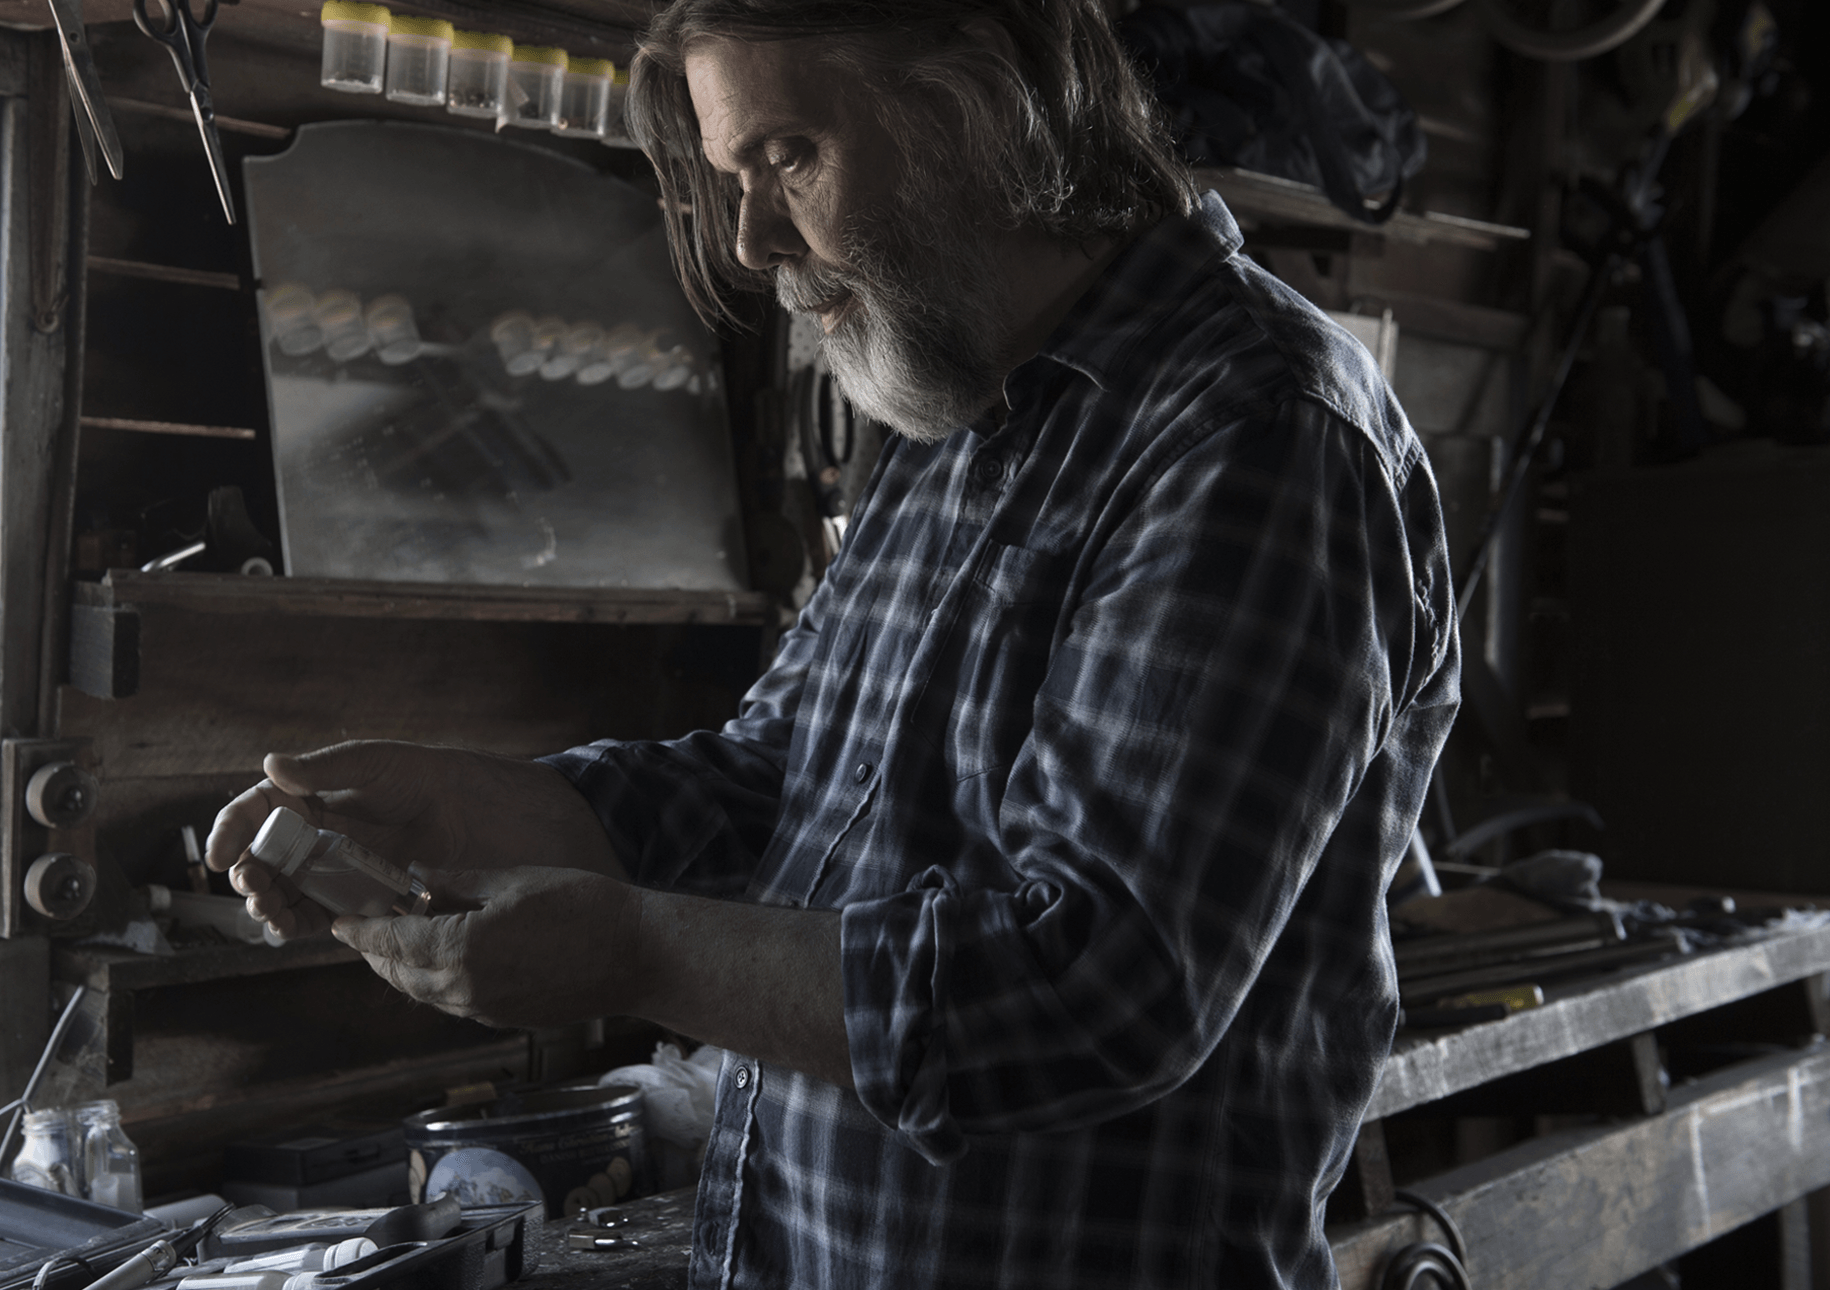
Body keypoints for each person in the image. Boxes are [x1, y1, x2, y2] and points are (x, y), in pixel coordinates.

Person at [208, 1, 1460, 1285]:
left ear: (978, 108)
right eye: (729, 176)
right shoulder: (954, 401)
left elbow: (1095, 991)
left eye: (787, 156)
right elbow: (782, 785)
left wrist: (631, 950)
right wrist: (497, 810)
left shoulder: (1255, 433)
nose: (750, 241)